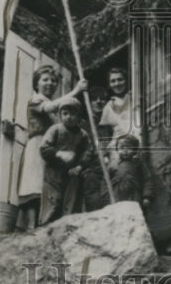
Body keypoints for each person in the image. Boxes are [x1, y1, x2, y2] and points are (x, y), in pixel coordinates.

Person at [16, 65, 87, 230]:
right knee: (36, 184)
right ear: (36, 83)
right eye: (45, 80)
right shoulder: (36, 100)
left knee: (50, 185)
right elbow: (50, 107)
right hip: (38, 145)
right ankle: (31, 225)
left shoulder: (55, 107)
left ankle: (44, 224)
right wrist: (76, 91)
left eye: (54, 81)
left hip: (52, 149)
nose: (50, 83)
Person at [39, 97, 91, 225]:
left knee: (71, 202)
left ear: (79, 117)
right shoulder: (55, 130)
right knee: (53, 201)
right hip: (53, 173)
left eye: (73, 114)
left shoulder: (83, 134)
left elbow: (87, 153)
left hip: (72, 173)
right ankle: (45, 227)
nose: (69, 117)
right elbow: (44, 148)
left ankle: (67, 228)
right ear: (60, 115)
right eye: (65, 113)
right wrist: (58, 153)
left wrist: (80, 166)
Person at [98, 66, 133, 148]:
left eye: (120, 79)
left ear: (126, 80)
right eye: (113, 81)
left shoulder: (135, 98)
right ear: (109, 84)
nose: (117, 84)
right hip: (118, 147)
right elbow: (104, 134)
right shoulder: (108, 107)